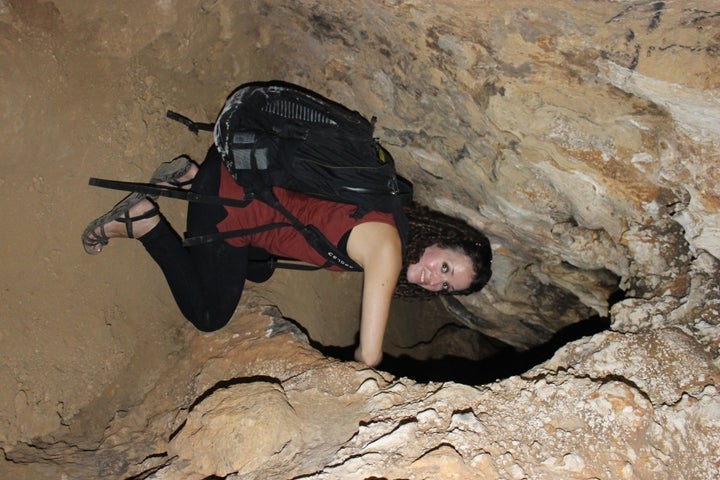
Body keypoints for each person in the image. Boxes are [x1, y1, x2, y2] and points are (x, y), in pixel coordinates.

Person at [82, 146, 492, 367]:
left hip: (242, 172)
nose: (431, 280)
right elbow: (369, 355)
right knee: (210, 316)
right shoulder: (387, 251)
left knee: (259, 270)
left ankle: (191, 177)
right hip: (230, 207)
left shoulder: (392, 211)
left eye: (443, 285)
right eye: (444, 267)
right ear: (441, 241)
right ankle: (143, 221)